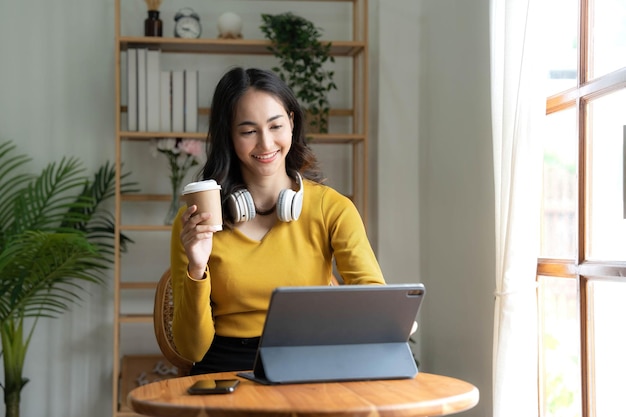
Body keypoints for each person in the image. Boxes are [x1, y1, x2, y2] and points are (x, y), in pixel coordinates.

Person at [170, 67, 385, 375]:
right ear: (228, 136)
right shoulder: (195, 221)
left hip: (308, 361)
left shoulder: (332, 208)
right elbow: (192, 349)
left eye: (275, 126)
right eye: (248, 131)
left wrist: (384, 320)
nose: (266, 144)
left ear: (292, 124)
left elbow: (373, 303)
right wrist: (196, 266)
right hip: (225, 366)